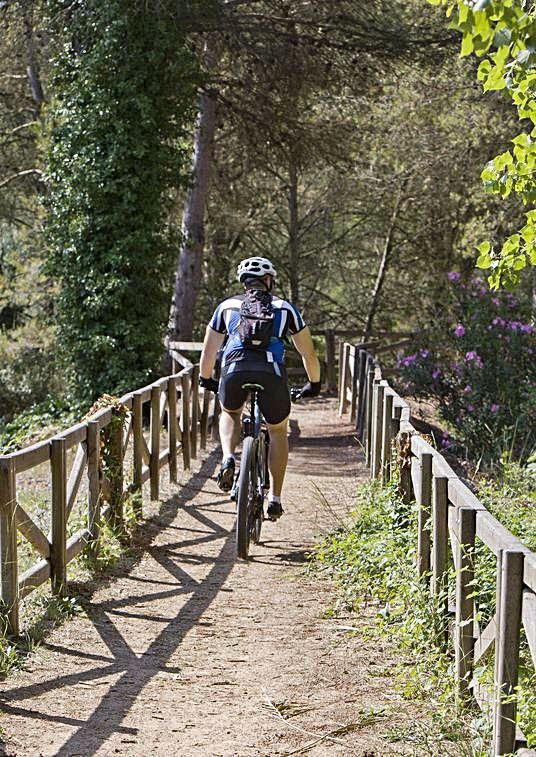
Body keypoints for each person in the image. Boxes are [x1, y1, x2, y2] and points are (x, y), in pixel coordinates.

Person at [198, 256, 321, 520]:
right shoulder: (285, 309)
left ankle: (229, 458)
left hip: (234, 370)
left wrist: (206, 378)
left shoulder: (226, 307)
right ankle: (275, 499)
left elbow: (208, 353)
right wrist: (314, 383)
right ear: (269, 281)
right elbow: (308, 354)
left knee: (230, 412)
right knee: (278, 431)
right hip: (271, 373)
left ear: (244, 282)